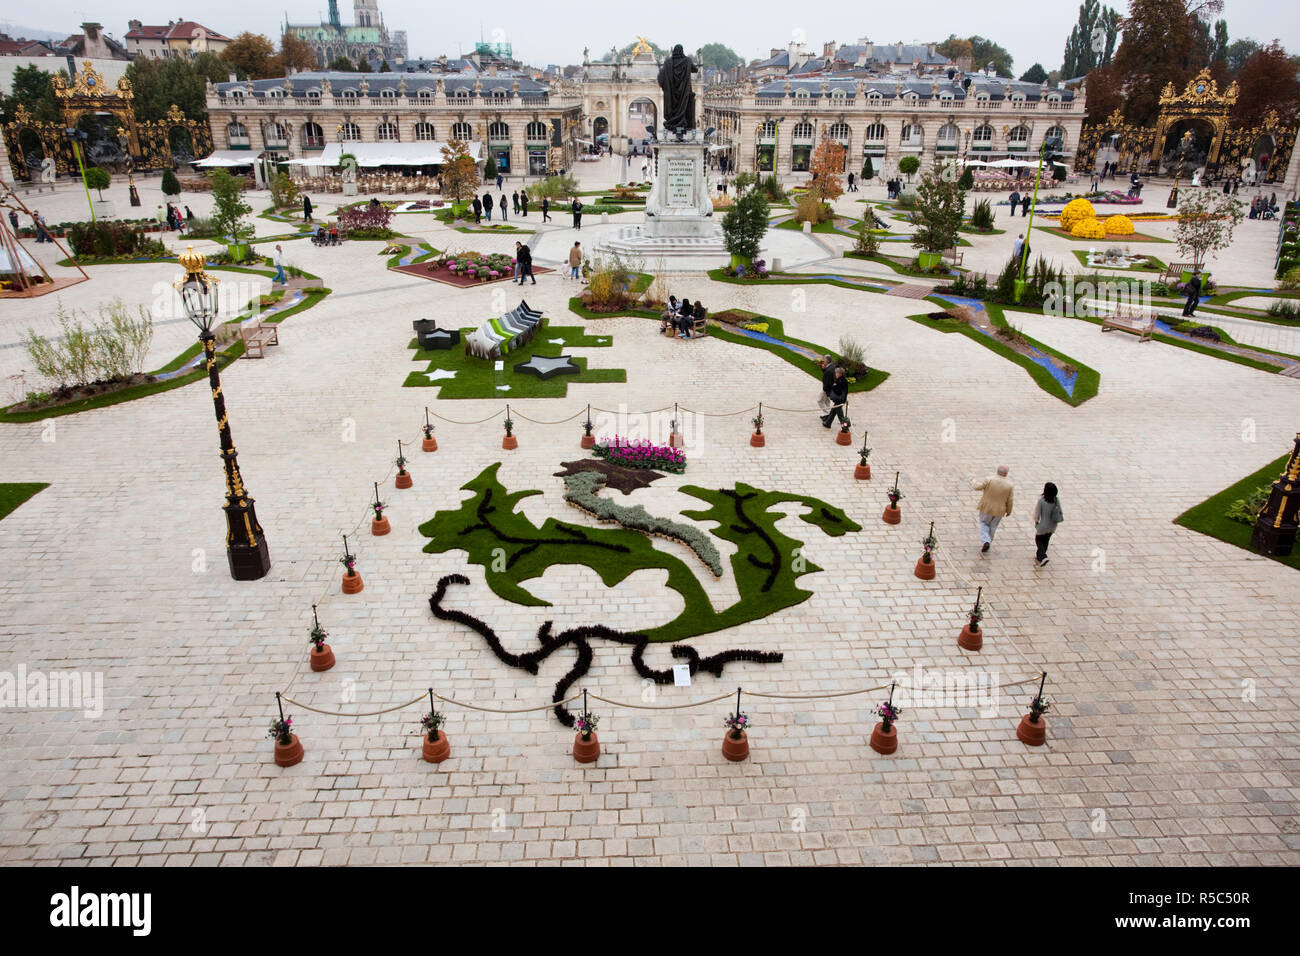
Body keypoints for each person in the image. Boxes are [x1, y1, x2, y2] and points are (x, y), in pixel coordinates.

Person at [971, 466, 1014, 554]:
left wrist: (974, 482)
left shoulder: (989, 479)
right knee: (993, 526)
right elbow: (1010, 500)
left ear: (997, 471)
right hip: (1000, 510)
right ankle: (988, 541)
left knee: (983, 523)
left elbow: (977, 487)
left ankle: (986, 541)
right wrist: (1009, 511)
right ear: (1006, 473)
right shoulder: (1009, 485)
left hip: (987, 507)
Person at [1034, 482, 1063, 567]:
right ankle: (1039, 556)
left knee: (1038, 540)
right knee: (1046, 540)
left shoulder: (1041, 501)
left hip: (1043, 525)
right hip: (1053, 525)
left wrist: (1036, 522)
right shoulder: (1056, 500)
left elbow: (1037, 514)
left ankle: (1043, 556)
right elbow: (1060, 511)